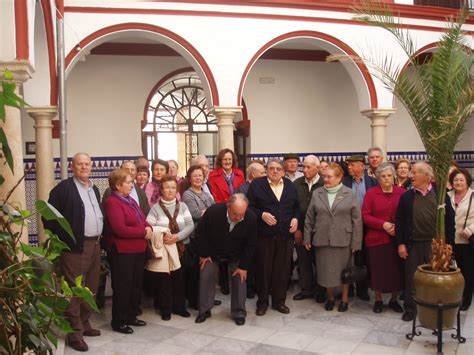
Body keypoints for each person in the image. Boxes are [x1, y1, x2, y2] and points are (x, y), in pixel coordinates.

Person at [44, 153, 103, 352]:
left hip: (95, 245)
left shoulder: (94, 189)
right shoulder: (63, 189)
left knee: (91, 287)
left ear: (91, 166)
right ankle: (74, 333)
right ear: (72, 166)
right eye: (80, 164)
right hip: (75, 247)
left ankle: (84, 323)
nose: (84, 167)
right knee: (73, 291)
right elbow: (48, 218)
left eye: (87, 164)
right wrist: (66, 239)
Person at [303, 163, 362, 313]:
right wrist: (307, 237)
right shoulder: (318, 193)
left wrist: (356, 242)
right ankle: (330, 298)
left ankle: (344, 298)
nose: (326, 179)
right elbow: (309, 217)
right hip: (322, 238)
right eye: (325, 176)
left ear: (339, 177)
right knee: (326, 271)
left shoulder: (349, 193)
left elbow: (357, 220)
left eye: (329, 177)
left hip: (343, 239)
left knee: (344, 272)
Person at [194, 194, 257, 325]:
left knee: (240, 276)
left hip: (236, 254)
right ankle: (204, 310)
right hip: (213, 252)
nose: (238, 218)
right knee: (206, 273)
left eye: (242, 214)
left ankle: (239, 311)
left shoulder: (250, 217)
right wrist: (204, 254)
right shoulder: (213, 211)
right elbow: (200, 233)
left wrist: (243, 266)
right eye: (235, 214)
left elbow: (251, 244)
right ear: (228, 206)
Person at [247, 159, 300, 316]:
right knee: (263, 270)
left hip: (285, 235)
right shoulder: (256, 185)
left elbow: (296, 206)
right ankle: (262, 302)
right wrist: (261, 214)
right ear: (266, 170)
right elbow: (249, 207)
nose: (275, 171)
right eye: (271, 168)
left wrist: (296, 218)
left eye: (278, 169)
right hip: (264, 236)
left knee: (282, 270)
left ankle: (279, 302)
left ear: (283, 171)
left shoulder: (290, 185)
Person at [103, 169, 152, 334]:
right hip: (122, 252)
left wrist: (148, 227)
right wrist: (143, 232)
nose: (132, 184)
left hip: (138, 250)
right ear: (118, 185)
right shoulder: (112, 202)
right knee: (123, 286)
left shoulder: (130, 199)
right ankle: (119, 321)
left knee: (135, 285)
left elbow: (142, 219)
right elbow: (119, 229)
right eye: (129, 182)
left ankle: (131, 315)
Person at [146, 175, 193, 320]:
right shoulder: (155, 208)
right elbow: (149, 227)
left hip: (181, 248)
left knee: (179, 279)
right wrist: (163, 236)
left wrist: (176, 237)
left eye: (173, 187)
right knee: (164, 281)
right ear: (161, 190)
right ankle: (165, 308)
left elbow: (190, 225)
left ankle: (179, 307)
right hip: (165, 250)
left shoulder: (183, 206)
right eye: (167, 187)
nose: (170, 190)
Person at [396, 162, 438, 322]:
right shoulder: (406, 196)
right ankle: (410, 308)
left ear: (426, 176)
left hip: (434, 246)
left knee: (434, 278)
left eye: (414, 172)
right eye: (411, 172)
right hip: (412, 244)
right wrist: (401, 243)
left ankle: (433, 308)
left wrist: (447, 246)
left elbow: (449, 221)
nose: (410, 175)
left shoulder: (439, 194)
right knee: (412, 278)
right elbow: (399, 221)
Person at [361, 163, 404, 314]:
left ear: (394, 177)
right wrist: (383, 224)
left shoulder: (402, 193)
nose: (386, 179)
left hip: (397, 240)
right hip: (376, 239)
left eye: (389, 176)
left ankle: (394, 299)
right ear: (378, 178)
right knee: (377, 270)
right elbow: (365, 216)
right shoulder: (371, 194)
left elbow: (407, 215)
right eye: (383, 176)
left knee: (396, 271)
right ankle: (378, 299)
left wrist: (397, 228)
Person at [208, 148, 245, 294]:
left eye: (229, 159)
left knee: (236, 246)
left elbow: (242, 193)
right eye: (224, 159)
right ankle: (224, 284)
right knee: (222, 249)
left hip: (238, 213)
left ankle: (236, 280)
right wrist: (227, 208)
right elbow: (214, 195)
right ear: (220, 161)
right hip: (222, 211)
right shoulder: (213, 175)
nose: (227, 162)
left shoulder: (239, 173)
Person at [342, 154, 377, 301]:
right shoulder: (343, 182)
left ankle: (362, 288)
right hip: (347, 227)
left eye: (352, 164)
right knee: (347, 258)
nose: (349, 167)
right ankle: (348, 288)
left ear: (362, 166)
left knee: (363, 259)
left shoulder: (373, 183)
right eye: (348, 165)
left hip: (367, 227)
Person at [293, 155, 325, 303]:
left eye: (308, 167)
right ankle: (306, 290)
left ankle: (321, 290)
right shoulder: (297, 183)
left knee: (320, 262)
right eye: (303, 166)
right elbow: (293, 208)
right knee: (303, 261)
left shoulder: (325, 183)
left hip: (320, 231)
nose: (304, 170)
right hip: (301, 230)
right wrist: (298, 229)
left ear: (317, 168)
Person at [181, 165, 215, 309]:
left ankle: (206, 297)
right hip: (195, 237)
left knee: (207, 270)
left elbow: (213, 212)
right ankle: (195, 300)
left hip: (208, 236)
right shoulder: (187, 194)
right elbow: (194, 213)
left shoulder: (206, 194)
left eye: (200, 175)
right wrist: (209, 212)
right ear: (189, 178)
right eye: (195, 176)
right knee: (194, 271)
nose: (198, 178)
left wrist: (207, 212)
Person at [446, 168, 474, 311]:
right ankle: (453, 296)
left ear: (467, 181)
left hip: (467, 241)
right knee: (452, 270)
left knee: (467, 271)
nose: (458, 182)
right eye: (455, 180)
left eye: (461, 180)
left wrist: (470, 229)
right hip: (450, 240)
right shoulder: (447, 196)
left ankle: (466, 298)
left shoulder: (473, 196)